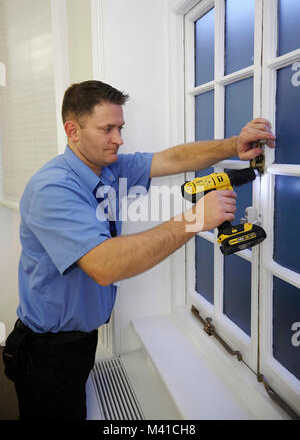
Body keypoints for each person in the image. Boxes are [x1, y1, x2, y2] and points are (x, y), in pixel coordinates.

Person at [2, 80, 276, 420]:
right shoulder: (53, 188)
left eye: (120, 127)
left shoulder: (108, 167)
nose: (119, 139)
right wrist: (194, 220)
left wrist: (234, 145)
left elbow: (169, 159)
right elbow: (105, 265)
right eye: (107, 129)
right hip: (48, 353)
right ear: (73, 131)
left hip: (79, 340)